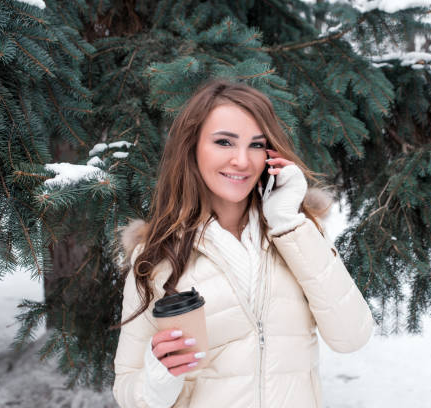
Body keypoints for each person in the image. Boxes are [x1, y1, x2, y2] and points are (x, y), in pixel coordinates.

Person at [112, 79, 374, 408]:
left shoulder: (297, 236)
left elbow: (352, 337)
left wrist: (288, 222)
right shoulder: (155, 256)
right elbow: (128, 390)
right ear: (191, 147)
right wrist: (160, 375)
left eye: (256, 145)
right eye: (224, 142)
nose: (242, 160)